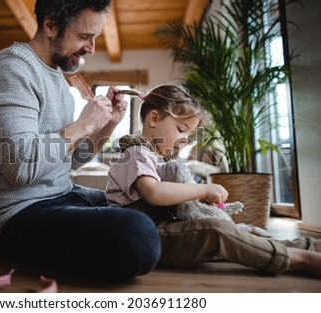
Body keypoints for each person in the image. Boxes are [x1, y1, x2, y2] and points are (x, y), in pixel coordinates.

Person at [0, 0, 161, 280]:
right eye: (85, 36)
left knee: (150, 203)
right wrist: (83, 124)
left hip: (61, 196)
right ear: (50, 25)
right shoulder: (13, 68)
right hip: (15, 217)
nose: (92, 48)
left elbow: (69, 160)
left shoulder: (60, 78)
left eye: (94, 37)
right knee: (138, 234)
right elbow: (20, 167)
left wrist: (106, 126)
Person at [106, 84, 321, 278]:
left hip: (158, 230)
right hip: (144, 238)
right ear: (153, 119)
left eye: (188, 135)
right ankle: (298, 259)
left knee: (237, 235)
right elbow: (154, 193)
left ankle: (303, 245)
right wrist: (202, 190)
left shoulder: (153, 158)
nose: (183, 140)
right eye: (181, 130)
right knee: (216, 230)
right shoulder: (136, 153)